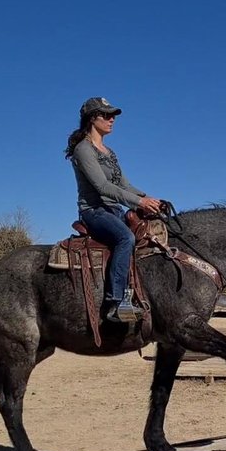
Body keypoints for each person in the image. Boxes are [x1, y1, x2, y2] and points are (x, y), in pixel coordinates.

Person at [65, 97, 166, 323]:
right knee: (125, 238)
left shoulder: (109, 152)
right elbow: (103, 187)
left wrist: (148, 199)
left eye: (113, 116)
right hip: (94, 211)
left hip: (114, 210)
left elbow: (124, 185)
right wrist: (138, 203)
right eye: (107, 115)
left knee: (150, 235)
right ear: (93, 118)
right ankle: (115, 302)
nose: (112, 119)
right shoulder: (84, 150)